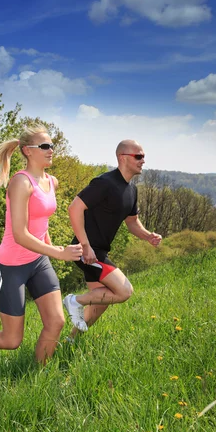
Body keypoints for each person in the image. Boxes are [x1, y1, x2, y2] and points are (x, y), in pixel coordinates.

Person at [0, 125, 82, 370]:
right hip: (12, 265)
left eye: (52, 145)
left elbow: (40, 222)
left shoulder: (52, 181)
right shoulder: (21, 182)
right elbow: (20, 234)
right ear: (27, 151)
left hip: (39, 261)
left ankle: (39, 375)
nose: (51, 150)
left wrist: (50, 246)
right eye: (44, 146)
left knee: (56, 322)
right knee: (11, 340)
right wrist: (59, 253)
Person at [63, 139, 162, 336]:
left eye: (143, 157)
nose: (143, 161)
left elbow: (132, 222)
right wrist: (85, 245)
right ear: (122, 158)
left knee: (100, 302)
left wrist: (147, 236)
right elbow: (75, 208)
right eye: (138, 156)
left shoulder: (131, 190)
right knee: (124, 291)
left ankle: (69, 342)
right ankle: (74, 301)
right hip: (88, 250)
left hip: (99, 251)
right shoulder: (104, 183)